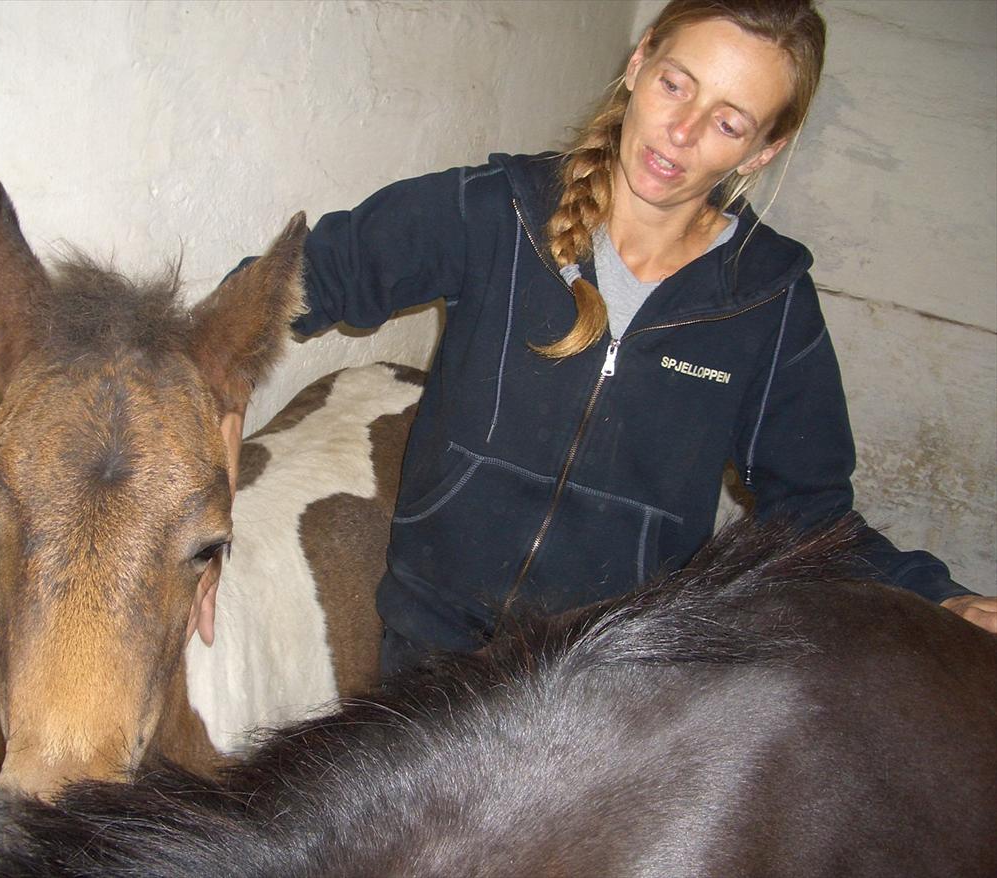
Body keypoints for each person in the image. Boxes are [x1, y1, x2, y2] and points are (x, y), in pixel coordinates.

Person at [208, 0, 996, 674]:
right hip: (430, 649)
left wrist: (943, 596)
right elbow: (279, 293)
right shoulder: (494, 213)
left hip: (610, 679)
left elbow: (812, 514)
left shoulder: (769, 302)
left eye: (727, 121)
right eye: (674, 84)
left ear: (763, 149)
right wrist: (204, 501)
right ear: (638, 61)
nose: (681, 133)